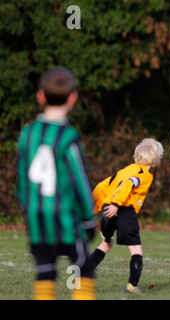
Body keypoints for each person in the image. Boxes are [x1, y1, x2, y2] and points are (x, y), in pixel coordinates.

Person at [16, 67, 97, 300]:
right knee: (84, 268)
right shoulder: (68, 137)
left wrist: (27, 209)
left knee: (44, 270)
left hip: (37, 217)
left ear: (40, 95)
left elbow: (22, 179)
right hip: (66, 217)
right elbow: (80, 180)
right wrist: (88, 218)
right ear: (73, 98)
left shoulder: (27, 134)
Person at [89, 138, 164, 294]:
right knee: (136, 249)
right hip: (122, 210)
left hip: (106, 210)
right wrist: (116, 204)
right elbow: (129, 184)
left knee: (106, 244)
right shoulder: (145, 175)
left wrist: (94, 208)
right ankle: (132, 285)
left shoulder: (124, 170)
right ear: (155, 160)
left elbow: (102, 186)